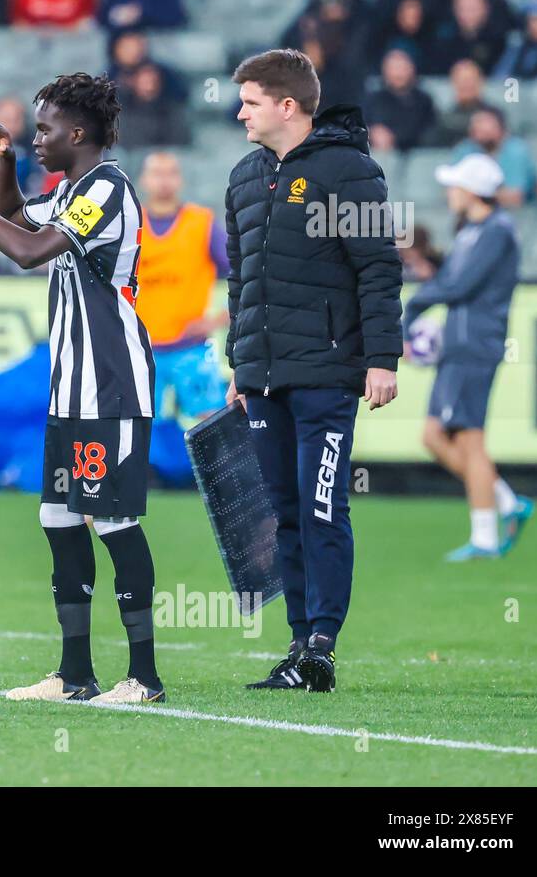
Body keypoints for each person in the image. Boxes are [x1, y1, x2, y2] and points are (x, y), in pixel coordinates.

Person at [0, 73, 165, 706]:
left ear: (78, 133)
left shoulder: (106, 188)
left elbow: (29, 252)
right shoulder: (71, 189)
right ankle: (74, 674)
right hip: (72, 389)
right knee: (59, 521)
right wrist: (2, 163)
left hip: (110, 381)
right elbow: (15, 218)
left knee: (114, 523)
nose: (37, 140)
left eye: (46, 130)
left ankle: (143, 678)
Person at [224, 49, 402, 693]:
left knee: (322, 505)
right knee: (284, 514)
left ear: (287, 105)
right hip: (265, 374)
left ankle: (321, 646)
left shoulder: (348, 170)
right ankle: (299, 646)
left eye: (249, 101)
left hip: (327, 372)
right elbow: (239, 280)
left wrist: (382, 358)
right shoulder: (245, 177)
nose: (240, 111)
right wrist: (238, 363)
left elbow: (379, 267)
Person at [404, 153, 531, 561]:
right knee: (434, 436)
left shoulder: (496, 232)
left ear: (472, 191)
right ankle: (508, 503)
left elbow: (458, 285)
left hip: (475, 346)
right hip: (459, 346)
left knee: (469, 441)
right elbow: (453, 281)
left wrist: (415, 307)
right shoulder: (474, 231)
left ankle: (486, 539)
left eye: (455, 185)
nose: (449, 192)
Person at [133, 152, 229, 427]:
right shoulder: (129, 224)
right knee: (137, 429)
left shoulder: (202, 223)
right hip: (140, 350)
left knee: (213, 426)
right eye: (157, 173)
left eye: (171, 173)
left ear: (180, 180)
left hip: (193, 348)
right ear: (144, 179)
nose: (164, 181)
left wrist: (219, 318)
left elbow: (244, 275)